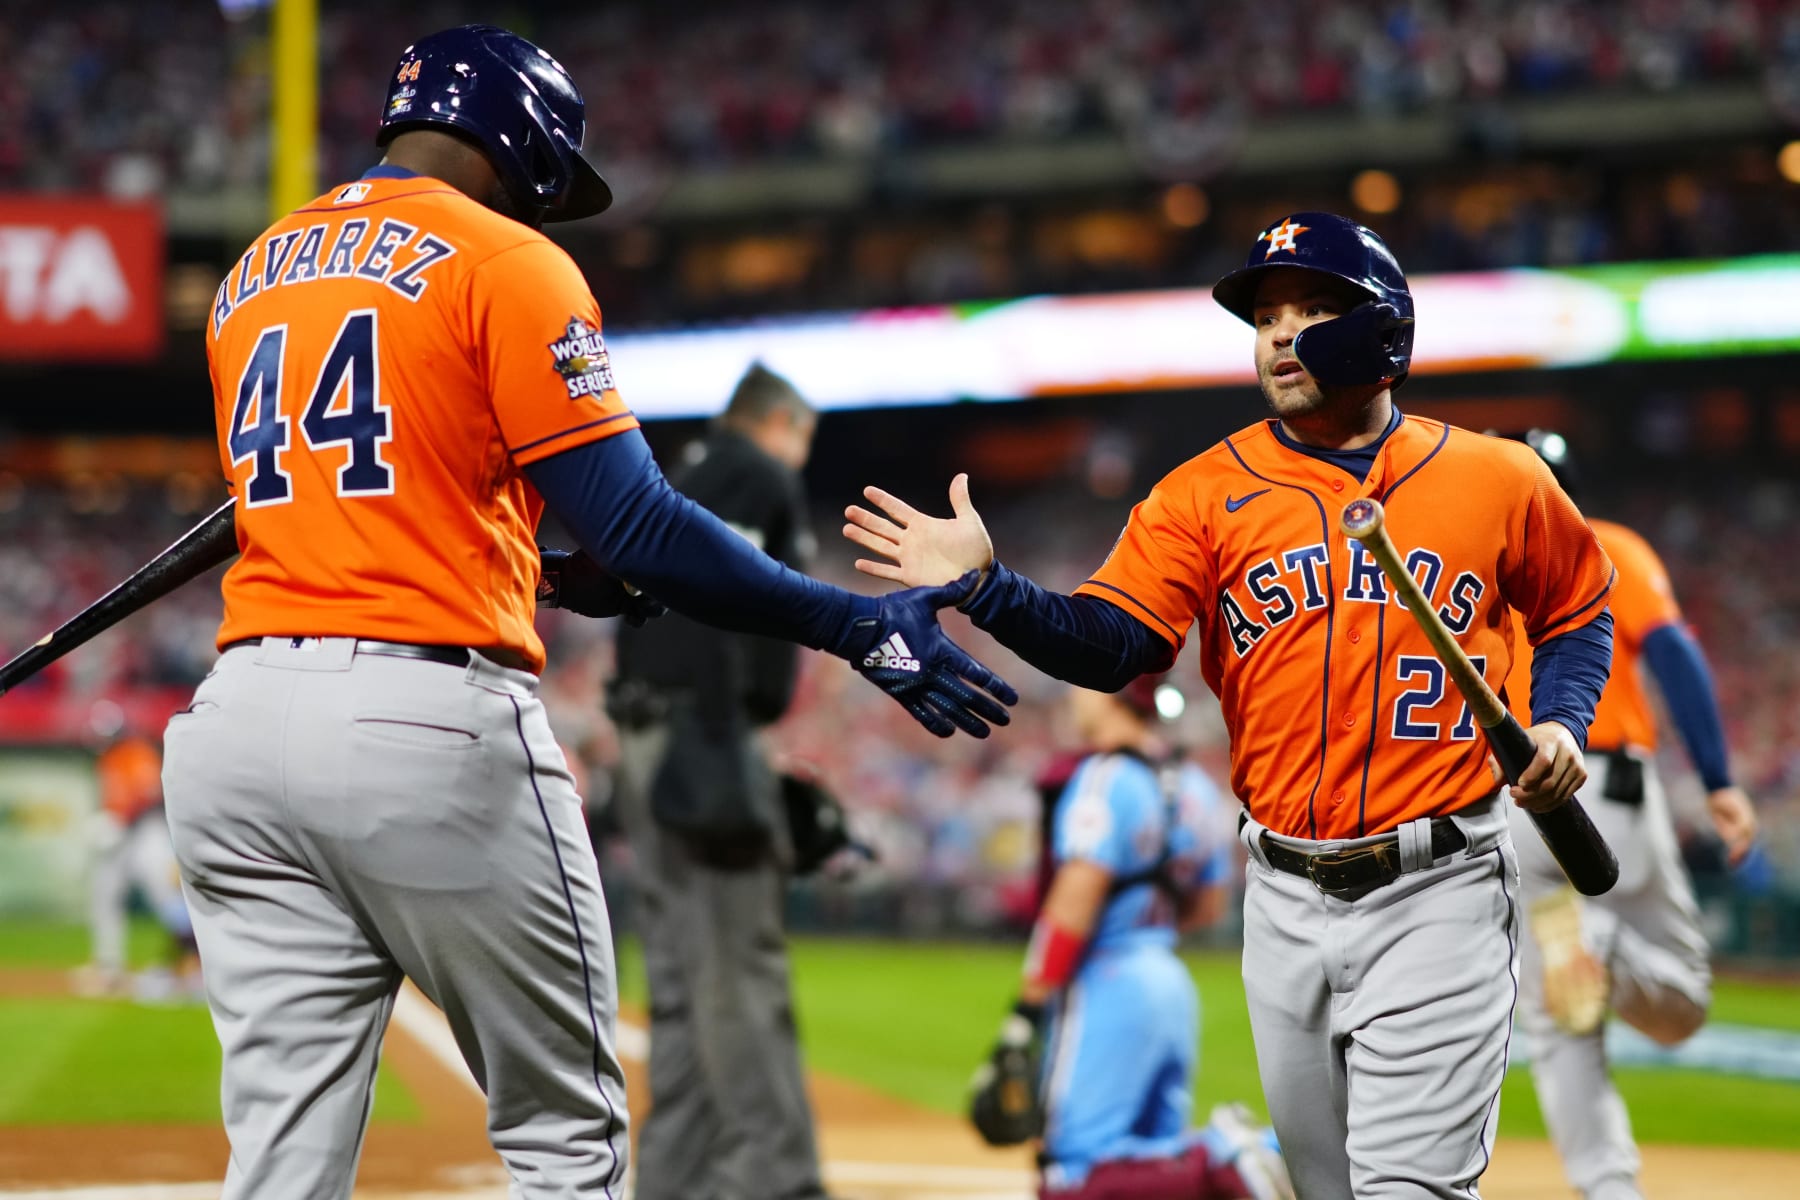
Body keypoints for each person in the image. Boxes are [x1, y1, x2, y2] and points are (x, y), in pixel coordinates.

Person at [164, 24, 1013, 1200]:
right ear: (524, 148)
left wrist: (556, 572)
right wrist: (849, 621)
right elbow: (643, 522)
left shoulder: (250, 273)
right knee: (569, 1140)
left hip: (234, 733)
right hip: (421, 726)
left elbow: (376, 498)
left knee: (282, 1163)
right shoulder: (502, 258)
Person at [844, 212, 1617, 1199]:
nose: (1279, 334)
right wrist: (992, 588)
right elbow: (1111, 643)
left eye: (1312, 310)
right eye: (1265, 317)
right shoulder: (1203, 493)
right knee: (1321, 1189)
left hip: (1442, 886)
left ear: (1383, 328)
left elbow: (1576, 609)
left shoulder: (1496, 476)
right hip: (1285, 897)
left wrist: (1559, 719)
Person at [1498, 429, 1758, 1200]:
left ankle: (1608, 1186)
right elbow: (1673, 654)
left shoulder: (1478, 564)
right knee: (1681, 1003)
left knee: (1562, 1019)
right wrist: (1718, 778)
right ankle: (1603, 948)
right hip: (1605, 790)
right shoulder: (1604, 544)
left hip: (1512, 803)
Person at [607, 363, 835, 1200]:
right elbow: (741, 606)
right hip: (699, 734)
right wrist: (731, 733)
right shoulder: (761, 472)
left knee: (677, 980)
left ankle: (675, 1180)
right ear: (780, 424)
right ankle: (779, 1182)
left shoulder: (682, 471)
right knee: (741, 970)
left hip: (643, 735)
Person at [976, 675, 1295, 1200]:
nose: (1074, 696)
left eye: (1080, 684)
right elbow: (1206, 904)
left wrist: (1023, 1016)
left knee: (1068, 1175)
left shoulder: (1105, 776)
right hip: (1168, 978)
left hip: (1108, 976)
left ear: (1109, 692)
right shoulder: (1192, 782)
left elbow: (1072, 903)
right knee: (1150, 1167)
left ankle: (1232, 1161)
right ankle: (1230, 1160)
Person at [75, 719, 198, 1001]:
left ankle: (193, 962)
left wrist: (122, 823)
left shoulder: (136, 751)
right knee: (104, 897)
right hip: (119, 837)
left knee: (167, 897)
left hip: (145, 833)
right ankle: (108, 966)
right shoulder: (107, 759)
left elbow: (150, 795)